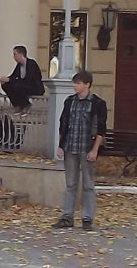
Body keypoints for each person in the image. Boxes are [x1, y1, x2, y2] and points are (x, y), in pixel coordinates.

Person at [52, 70, 107, 231]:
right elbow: (64, 124)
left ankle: (87, 218)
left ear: (87, 84)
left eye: (78, 83)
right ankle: (67, 216)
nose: (75, 86)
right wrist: (61, 146)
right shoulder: (70, 102)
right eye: (75, 83)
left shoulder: (97, 103)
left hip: (87, 148)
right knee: (71, 184)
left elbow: (100, 129)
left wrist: (95, 149)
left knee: (88, 184)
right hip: (71, 147)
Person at [0, 46, 44, 113]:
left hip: (34, 87)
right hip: (23, 86)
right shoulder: (19, 65)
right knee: (6, 85)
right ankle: (16, 105)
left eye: (15, 54)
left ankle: (26, 104)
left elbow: (29, 79)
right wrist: (6, 79)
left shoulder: (31, 63)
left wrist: (10, 80)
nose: (13, 57)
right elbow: (13, 76)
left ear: (21, 55)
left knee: (17, 86)